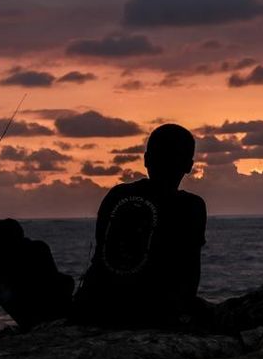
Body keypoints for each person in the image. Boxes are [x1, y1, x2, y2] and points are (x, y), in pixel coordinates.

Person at [72, 124, 206, 326]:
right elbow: (189, 271)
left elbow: (102, 253)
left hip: (96, 305)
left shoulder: (117, 194)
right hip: (149, 312)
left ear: (146, 160)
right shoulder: (190, 206)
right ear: (189, 165)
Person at [0, 218, 74, 330]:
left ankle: (32, 322)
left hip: (46, 299)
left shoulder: (36, 248)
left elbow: (46, 279)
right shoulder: (0, 260)